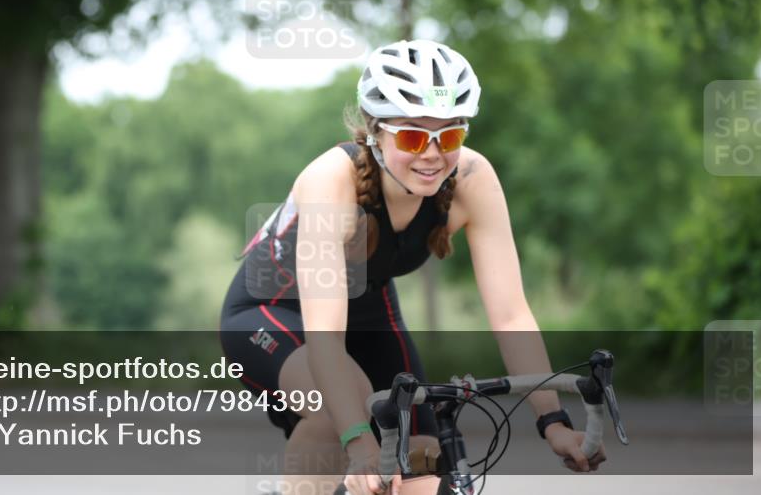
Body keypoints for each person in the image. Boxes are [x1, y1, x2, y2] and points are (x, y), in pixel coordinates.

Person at [220, 39, 606, 495]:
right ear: (375, 131)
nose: (431, 153)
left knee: (425, 451)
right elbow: (326, 338)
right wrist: (359, 440)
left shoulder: (472, 180)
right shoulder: (331, 181)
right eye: (412, 136)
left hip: (371, 313)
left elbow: (511, 314)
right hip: (272, 313)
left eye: (450, 136)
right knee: (341, 410)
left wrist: (553, 423)